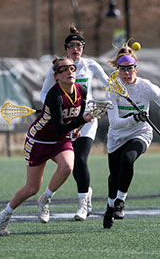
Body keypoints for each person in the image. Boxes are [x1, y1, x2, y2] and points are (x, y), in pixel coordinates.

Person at [0, 57, 94, 235]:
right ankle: (5, 214)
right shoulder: (54, 95)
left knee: (67, 168)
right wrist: (81, 121)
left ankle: (46, 199)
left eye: (72, 68)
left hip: (61, 139)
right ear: (56, 76)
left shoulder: (82, 90)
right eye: (64, 70)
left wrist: (78, 128)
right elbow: (58, 126)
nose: (69, 72)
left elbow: (76, 117)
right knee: (31, 188)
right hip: (39, 140)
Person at [40, 24, 109, 221]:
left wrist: (115, 95)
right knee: (71, 166)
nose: (75, 49)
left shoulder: (91, 66)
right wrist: (52, 108)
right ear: (66, 48)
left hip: (87, 120)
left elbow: (109, 85)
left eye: (79, 46)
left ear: (83, 48)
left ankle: (82, 206)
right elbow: (44, 93)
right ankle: (85, 192)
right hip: (68, 121)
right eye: (72, 46)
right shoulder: (59, 68)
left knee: (80, 160)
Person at [103, 42, 160, 229]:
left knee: (128, 160)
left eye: (130, 69)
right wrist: (134, 117)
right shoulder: (113, 89)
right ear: (118, 70)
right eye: (122, 70)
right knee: (114, 177)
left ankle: (120, 202)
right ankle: (110, 208)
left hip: (141, 133)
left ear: (136, 68)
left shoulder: (147, 87)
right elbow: (115, 123)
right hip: (117, 136)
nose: (126, 73)